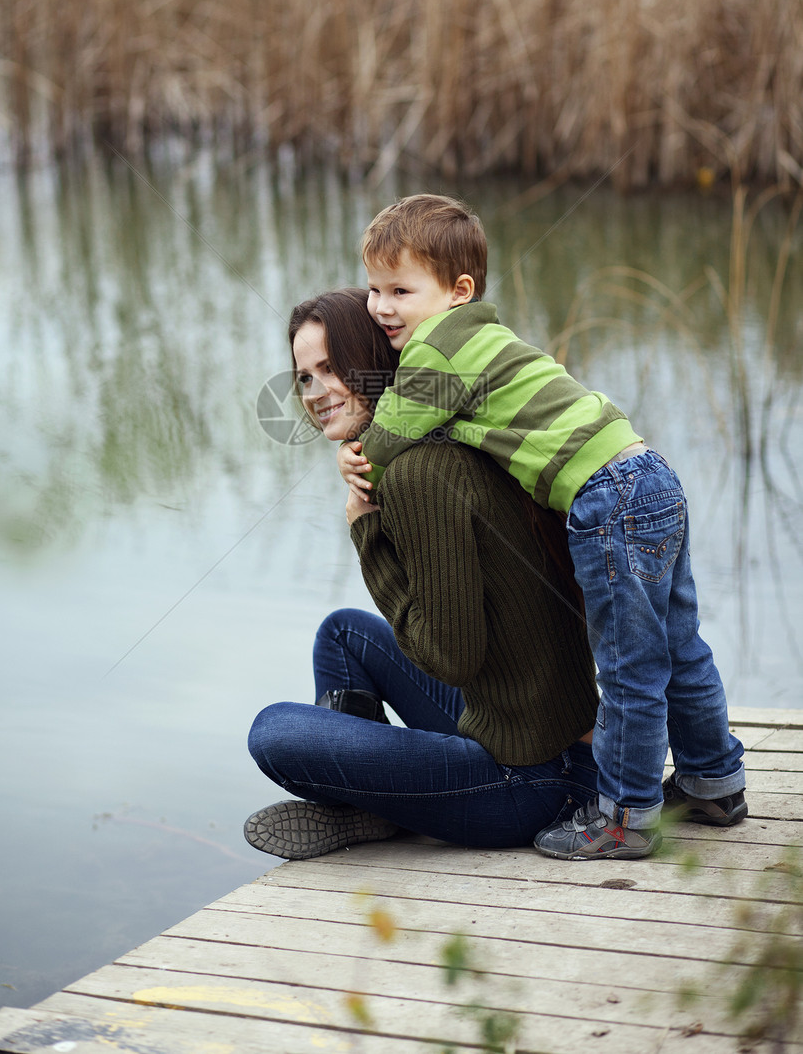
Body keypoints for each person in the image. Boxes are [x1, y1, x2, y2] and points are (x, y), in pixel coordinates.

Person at [339, 193, 746, 860]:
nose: (380, 306)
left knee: (627, 665)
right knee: (677, 643)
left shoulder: (438, 352)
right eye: (375, 289)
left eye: (400, 290)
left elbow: (390, 441)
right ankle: (714, 780)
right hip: (646, 473)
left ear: (457, 291)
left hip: (604, 497)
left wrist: (355, 469)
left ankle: (625, 817)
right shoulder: (488, 340)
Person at [244, 287, 600, 860]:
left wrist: (366, 534)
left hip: (536, 781)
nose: (314, 393)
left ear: (372, 360)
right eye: (305, 376)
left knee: (275, 732)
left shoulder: (417, 476)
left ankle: (377, 803)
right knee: (344, 634)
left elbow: (451, 659)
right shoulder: (448, 432)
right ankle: (375, 802)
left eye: (331, 368)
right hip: (521, 720)